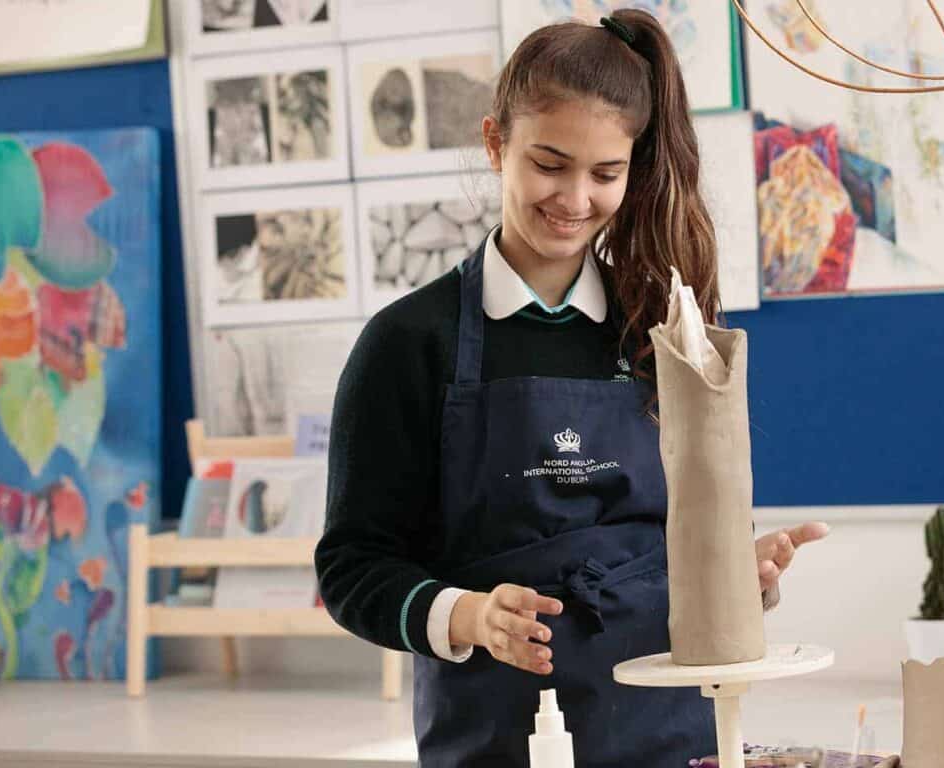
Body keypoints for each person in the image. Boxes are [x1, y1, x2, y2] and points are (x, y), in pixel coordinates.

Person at [314, 10, 829, 767]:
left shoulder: (661, 334)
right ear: (496, 143)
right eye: (550, 165)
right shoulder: (407, 343)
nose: (575, 198)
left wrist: (736, 576)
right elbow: (352, 567)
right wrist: (469, 617)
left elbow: (681, 540)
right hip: (496, 736)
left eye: (605, 174)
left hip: (674, 737)